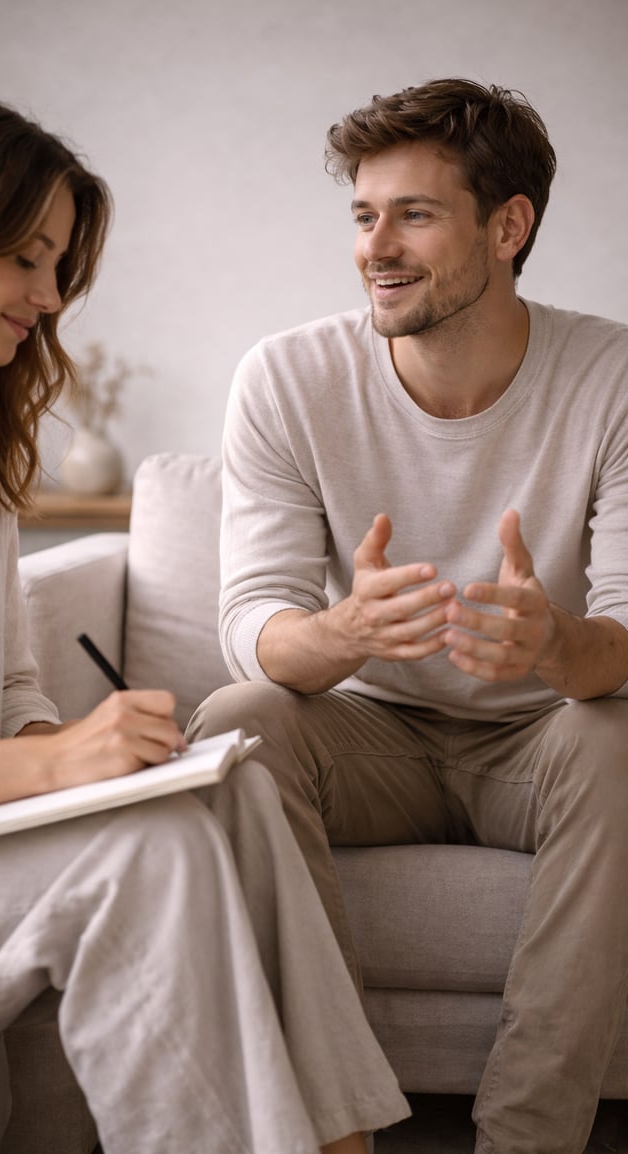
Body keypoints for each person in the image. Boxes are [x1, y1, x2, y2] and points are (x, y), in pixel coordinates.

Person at [0, 89, 411, 1154]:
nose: (50, 297)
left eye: (58, 267)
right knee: (143, 853)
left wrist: (92, 756)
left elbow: (12, 693)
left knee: (237, 783)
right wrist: (57, 765)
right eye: (26, 258)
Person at [187, 77, 628, 1154]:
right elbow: (252, 614)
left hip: (541, 739)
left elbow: (623, 636)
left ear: (508, 225)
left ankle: (528, 1139)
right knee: (236, 719)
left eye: (415, 214)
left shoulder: (613, 375)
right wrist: (342, 635)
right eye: (362, 215)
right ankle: (333, 1129)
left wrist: (556, 642)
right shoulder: (289, 376)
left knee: (621, 738)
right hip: (370, 733)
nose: (375, 245)